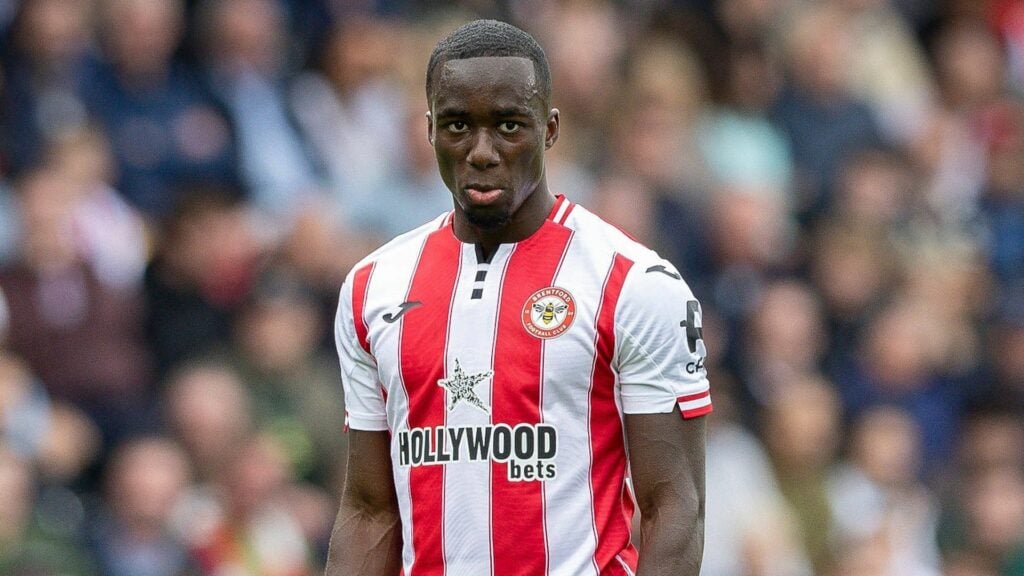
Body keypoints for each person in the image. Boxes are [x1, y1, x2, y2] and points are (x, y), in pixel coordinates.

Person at [326, 19, 711, 576]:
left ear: (549, 129)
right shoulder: (373, 287)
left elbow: (674, 507)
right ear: (430, 130)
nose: (481, 151)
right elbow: (367, 511)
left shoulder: (635, 283)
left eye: (508, 125)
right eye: (458, 125)